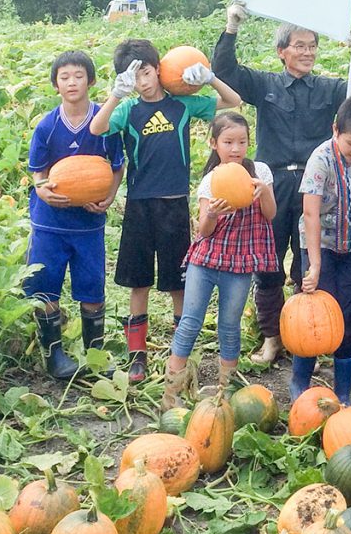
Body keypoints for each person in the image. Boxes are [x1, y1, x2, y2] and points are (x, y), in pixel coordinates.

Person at [211, 5, 351, 365]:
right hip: (272, 182)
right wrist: (231, 29)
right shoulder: (265, 85)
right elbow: (225, 72)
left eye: (312, 46)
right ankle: (273, 337)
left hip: (315, 187)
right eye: (299, 46)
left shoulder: (331, 88)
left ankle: (308, 334)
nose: (307, 52)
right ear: (282, 51)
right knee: (268, 261)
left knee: (308, 262)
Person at [90, 39, 242, 382]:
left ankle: (179, 352)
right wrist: (116, 93)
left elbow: (234, 102)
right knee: (138, 282)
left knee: (177, 283)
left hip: (174, 204)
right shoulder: (127, 110)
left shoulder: (183, 104)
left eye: (146, 72)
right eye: (134, 77)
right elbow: (96, 128)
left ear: (158, 69)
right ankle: (137, 357)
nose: (143, 82)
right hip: (139, 204)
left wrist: (210, 77)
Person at [161, 112, 277, 408]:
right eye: (228, 142)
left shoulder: (260, 171)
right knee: (190, 321)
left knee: (229, 324)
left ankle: (226, 393)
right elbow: (203, 229)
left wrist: (263, 193)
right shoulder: (211, 180)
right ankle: (171, 394)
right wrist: (212, 213)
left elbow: (270, 214)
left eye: (242, 141)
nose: (236, 148)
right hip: (207, 259)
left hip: (239, 262)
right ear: (214, 144)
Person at [25, 51, 125, 379]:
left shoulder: (105, 122)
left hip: (88, 223)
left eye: (78, 76)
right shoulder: (47, 126)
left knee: (92, 288)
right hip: (50, 223)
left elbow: (116, 166)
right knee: (45, 287)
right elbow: (38, 174)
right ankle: (54, 357)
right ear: (56, 84)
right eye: (64, 76)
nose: (72, 82)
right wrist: (43, 190)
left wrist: (109, 196)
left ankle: (94, 356)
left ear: (91, 81)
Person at [292, 95, 351, 404]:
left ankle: (342, 391)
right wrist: (314, 264)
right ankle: (300, 384)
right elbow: (310, 213)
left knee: (347, 315)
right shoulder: (321, 160)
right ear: (335, 130)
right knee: (313, 313)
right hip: (323, 244)